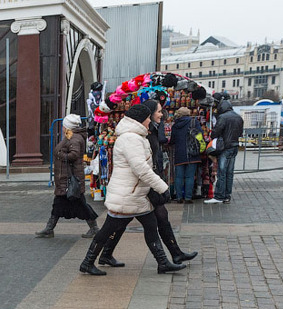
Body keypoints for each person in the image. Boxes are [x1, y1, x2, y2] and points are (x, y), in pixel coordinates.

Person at [78, 103, 184, 276]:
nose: (150, 120)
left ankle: (163, 263)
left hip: (135, 194)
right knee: (107, 230)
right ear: (140, 120)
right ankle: (87, 262)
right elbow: (140, 168)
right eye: (148, 117)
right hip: (127, 195)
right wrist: (162, 187)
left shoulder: (136, 136)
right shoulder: (130, 138)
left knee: (151, 225)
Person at [97, 101, 197, 267]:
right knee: (124, 222)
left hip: (145, 183)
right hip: (141, 184)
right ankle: (99, 257)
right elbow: (141, 166)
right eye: (158, 111)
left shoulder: (149, 130)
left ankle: (172, 255)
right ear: (147, 115)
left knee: (149, 220)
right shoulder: (140, 134)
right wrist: (160, 185)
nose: (161, 114)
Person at [35, 114, 99, 238]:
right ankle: (49, 228)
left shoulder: (74, 138)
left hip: (70, 178)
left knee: (80, 204)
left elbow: (74, 155)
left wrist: (60, 154)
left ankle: (94, 228)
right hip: (67, 178)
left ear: (68, 126)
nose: (62, 127)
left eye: (64, 125)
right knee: (58, 203)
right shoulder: (71, 136)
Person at [205, 99, 243, 204]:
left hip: (225, 147)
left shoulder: (223, 117)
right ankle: (227, 195)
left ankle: (219, 196)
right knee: (229, 173)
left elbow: (216, 132)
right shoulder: (238, 117)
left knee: (222, 172)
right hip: (234, 146)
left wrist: (214, 137)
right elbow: (240, 133)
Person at [168, 107, 200, 203]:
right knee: (189, 177)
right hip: (192, 153)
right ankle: (188, 198)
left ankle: (178, 197)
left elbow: (172, 140)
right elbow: (199, 135)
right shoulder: (194, 122)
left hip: (179, 154)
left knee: (179, 177)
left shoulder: (175, 125)